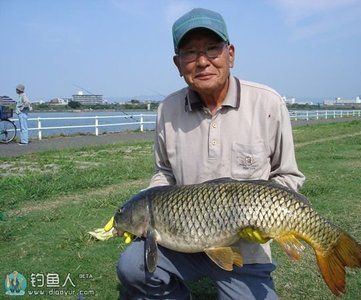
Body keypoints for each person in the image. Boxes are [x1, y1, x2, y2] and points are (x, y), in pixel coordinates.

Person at [116, 8, 305, 299]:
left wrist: (266, 220)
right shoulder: (167, 110)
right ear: (178, 64)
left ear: (230, 54)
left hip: (246, 249)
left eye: (212, 49)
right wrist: (149, 211)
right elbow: (163, 172)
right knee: (132, 266)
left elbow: (288, 175)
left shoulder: (268, 103)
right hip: (181, 242)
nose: (202, 61)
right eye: (190, 53)